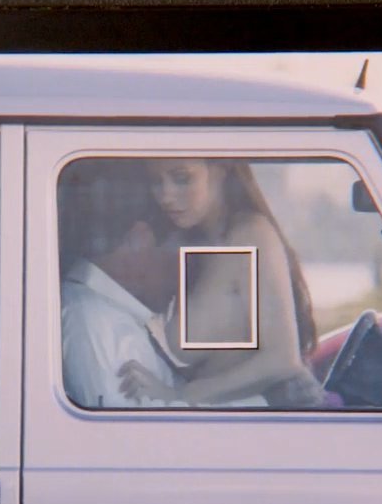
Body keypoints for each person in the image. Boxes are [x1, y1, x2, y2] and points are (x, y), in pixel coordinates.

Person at [118, 158, 326, 407]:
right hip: (228, 416)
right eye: (156, 181)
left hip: (283, 411)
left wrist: (180, 396)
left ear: (220, 170)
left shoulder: (250, 233)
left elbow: (283, 359)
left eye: (182, 178)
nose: (166, 196)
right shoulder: (186, 244)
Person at [59, 160, 181, 408]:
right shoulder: (95, 323)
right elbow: (124, 430)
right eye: (179, 254)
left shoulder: (104, 314)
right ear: (140, 237)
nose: (183, 277)